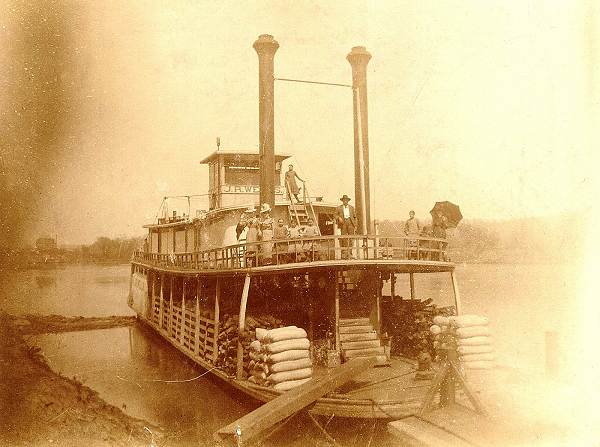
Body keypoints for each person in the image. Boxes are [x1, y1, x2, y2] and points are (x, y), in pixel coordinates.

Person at [335, 194, 357, 259]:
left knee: (351, 238)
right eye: (344, 200)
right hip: (343, 224)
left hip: (350, 223)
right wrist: (339, 217)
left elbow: (355, 217)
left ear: (348, 201)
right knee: (344, 238)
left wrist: (355, 225)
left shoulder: (352, 208)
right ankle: (344, 254)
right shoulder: (339, 208)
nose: (345, 201)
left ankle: (350, 253)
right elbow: (335, 215)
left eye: (346, 200)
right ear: (342, 201)